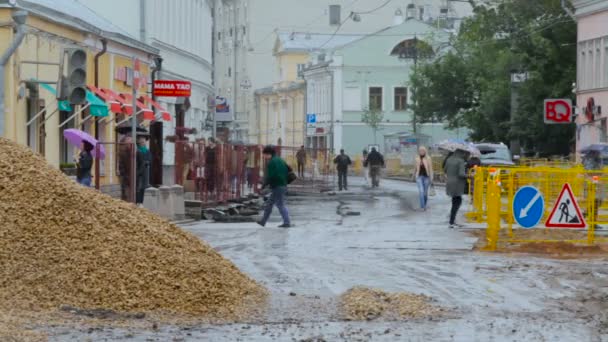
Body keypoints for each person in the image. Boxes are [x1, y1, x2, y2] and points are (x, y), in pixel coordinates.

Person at [257, 145, 292, 228]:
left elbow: (271, 176)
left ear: (269, 154)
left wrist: (264, 185)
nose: (264, 157)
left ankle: (287, 222)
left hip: (278, 186)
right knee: (269, 204)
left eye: (264, 155)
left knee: (280, 204)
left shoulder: (272, 162)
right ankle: (263, 221)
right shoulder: (280, 159)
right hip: (282, 184)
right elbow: (288, 169)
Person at [444, 149, 467, 228]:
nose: (464, 154)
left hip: (449, 183)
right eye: (463, 153)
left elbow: (445, 170)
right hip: (457, 184)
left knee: (454, 201)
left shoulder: (449, 159)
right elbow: (461, 174)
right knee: (457, 202)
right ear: (461, 153)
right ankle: (452, 221)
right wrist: (470, 175)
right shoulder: (460, 161)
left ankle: (452, 220)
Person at [584, 150, 603, 226]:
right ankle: (591, 221)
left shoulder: (597, 161)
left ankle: (587, 215)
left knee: (598, 202)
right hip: (592, 184)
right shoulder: (591, 161)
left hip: (595, 183)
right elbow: (592, 173)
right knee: (596, 201)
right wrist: (595, 180)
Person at [414, 146, 433, 210]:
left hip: (426, 177)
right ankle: (422, 207)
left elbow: (430, 169)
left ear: (425, 151)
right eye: (420, 150)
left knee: (425, 193)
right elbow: (415, 168)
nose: (421, 152)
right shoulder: (417, 158)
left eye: (422, 150)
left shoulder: (428, 158)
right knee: (421, 191)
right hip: (419, 177)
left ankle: (424, 204)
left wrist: (431, 178)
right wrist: (413, 176)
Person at [135, 135, 151, 207]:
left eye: (144, 140)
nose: (143, 142)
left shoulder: (147, 150)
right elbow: (136, 161)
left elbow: (150, 159)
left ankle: (141, 201)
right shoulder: (137, 150)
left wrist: (147, 162)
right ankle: (137, 201)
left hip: (145, 171)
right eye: (141, 140)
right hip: (138, 171)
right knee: (138, 186)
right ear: (138, 142)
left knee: (143, 187)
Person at [118, 135, 133, 201]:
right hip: (126, 175)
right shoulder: (124, 151)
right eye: (129, 140)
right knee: (126, 192)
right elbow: (122, 165)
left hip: (128, 175)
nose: (131, 141)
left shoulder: (130, 150)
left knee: (126, 191)